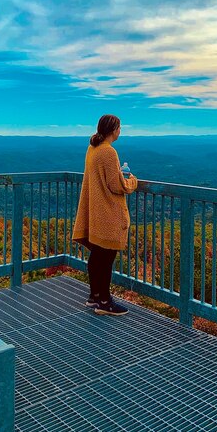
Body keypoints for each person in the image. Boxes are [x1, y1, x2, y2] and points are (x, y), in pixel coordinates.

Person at [72, 114, 138, 315]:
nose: (120, 131)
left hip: (96, 212)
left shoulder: (92, 148)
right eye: (119, 128)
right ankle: (105, 302)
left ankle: (94, 297)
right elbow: (115, 184)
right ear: (114, 129)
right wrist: (132, 182)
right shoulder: (109, 152)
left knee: (97, 256)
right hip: (107, 214)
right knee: (106, 258)